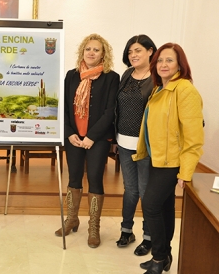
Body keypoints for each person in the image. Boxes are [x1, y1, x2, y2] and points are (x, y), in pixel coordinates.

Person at [134, 43, 204, 274]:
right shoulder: (159, 88)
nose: (164, 64)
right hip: (157, 159)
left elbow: (193, 138)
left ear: (180, 64)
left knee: (151, 205)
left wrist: (185, 172)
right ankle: (164, 256)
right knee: (164, 206)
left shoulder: (184, 90)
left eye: (170, 60)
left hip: (171, 161)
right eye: (161, 60)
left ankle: (158, 257)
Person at [55, 33, 119, 248]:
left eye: (96, 49)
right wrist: (69, 132)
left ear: (103, 54)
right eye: (88, 49)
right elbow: (64, 107)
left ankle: (94, 226)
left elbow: (110, 111)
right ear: (82, 51)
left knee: (94, 178)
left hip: (97, 139)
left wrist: (92, 136)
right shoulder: (72, 76)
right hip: (73, 136)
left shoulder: (111, 77)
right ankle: (72, 219)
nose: (91, 52)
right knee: (73, 178)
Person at [115, 35, 157, 256]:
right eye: (130, 52)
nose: (133, 55)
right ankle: (126, 230)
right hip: (124, 142)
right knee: (130, 190)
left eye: (138, 50)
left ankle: (148, 236)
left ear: (151, 51)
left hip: (146, 146)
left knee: (145, 191)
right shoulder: (126, 75)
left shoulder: (158, 77)